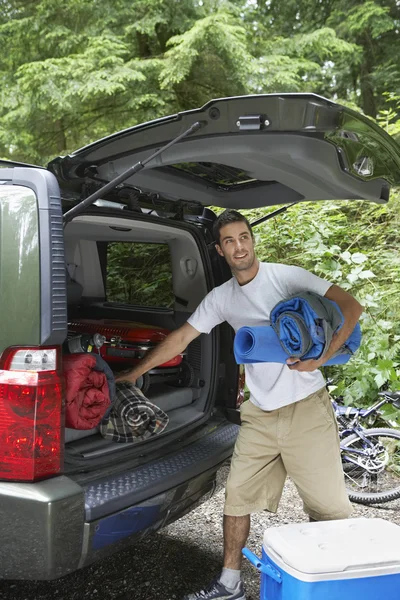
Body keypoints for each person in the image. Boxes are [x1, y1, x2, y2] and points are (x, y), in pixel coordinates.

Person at [116, 209, 363, 600]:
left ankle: (337, 586)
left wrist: (321, 357)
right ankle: (229, 584)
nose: (239, 246)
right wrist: (134, 372)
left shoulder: (286, 277)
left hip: (305, 408)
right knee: (236, 498)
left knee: (327, 508)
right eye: (229, 241)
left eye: (243, 237)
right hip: (260, 413)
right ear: (219, 250)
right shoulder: (222, 299)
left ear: (252, 239)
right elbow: (181, 338)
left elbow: (351, 307)